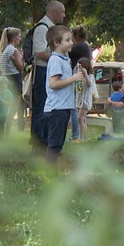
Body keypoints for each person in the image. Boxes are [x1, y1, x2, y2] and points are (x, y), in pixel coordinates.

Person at [43, 25, 85, 163]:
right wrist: (73, 78)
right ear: (56, 42)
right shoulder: (55, 60)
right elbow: (54, 84)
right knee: (54, 144)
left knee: (59, 144)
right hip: (56, 109)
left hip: (63, 107)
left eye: (71, 40)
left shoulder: (64, 59)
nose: (72, 43)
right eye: (67, 40)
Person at [31, 0, 66, 153]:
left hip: (49, 72)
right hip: (42, 72)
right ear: (54, 12)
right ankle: (38, 144)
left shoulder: (50, 28)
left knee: (49, 108)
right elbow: (39, 52)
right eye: (62, 12)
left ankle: (45, 141)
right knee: (41, 109)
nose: (64, 15)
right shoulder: (42, 28)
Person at [0, 27, 25, 131]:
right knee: (15, 106)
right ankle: (7, 128)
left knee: (6, 104)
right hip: (15, 78)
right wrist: (22, 57)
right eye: (19, 37)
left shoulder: (1, 49)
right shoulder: (13, 51)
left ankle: (2, 126)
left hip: (6, 78)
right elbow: (20, 67)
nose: (20, 39)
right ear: (14, 38)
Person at [68, 25, 92, 141]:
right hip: (80, 78)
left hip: (77, 78)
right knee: (81, 115)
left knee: (74, 108)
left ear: (76, 36)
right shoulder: (86, 46)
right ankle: (82, 136)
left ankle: (75, 135)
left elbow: (67, 52)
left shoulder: (79, 46)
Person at [73, 57, 97, 142]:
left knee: (80, 118)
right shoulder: (78, 76)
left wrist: (85, 74)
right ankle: (83, 137)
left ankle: (81, 138)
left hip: (85, 100)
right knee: (82, 119)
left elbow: (89, 84)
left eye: (81, 66)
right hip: (79, 100)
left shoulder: (90, 76)